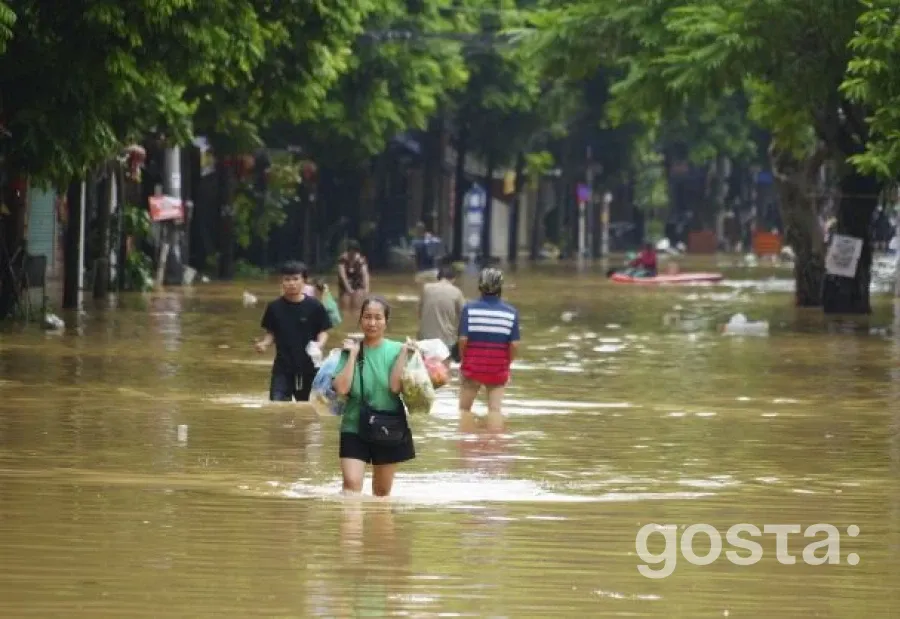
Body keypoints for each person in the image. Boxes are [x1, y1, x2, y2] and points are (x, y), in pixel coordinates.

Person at [332, 296, 416, 497]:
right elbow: (341, 389)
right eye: (367, 317)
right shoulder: (350, 350)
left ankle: (380, 528)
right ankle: (351, 529)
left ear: (386, 321)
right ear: (360, 320)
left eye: (378, 318)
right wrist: (352, 355)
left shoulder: (398, 349)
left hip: (388, 426)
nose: (372, 323)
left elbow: (395, 388)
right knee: (351, 486)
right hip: (354, 425)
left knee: (381, 493)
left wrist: (405, 353)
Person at [255, 261, 332, 401]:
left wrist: (319, 345)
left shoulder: (315, 306)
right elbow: (271, 332)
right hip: (282, 368)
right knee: (277, 406)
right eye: (287, 279)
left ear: (304, 281)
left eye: (296, 279)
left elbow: (323, 331)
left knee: (306, 409)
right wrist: (264, 344)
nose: (291, 283)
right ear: (282, 282)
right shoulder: (274, 307)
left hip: (308, 368)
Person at [457, 268, 520, 433]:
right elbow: (514, 345)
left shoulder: (469, 309)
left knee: (464, 410)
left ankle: (465, 444)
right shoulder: (511, 313)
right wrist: (507, 362)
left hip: (473, 367)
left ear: (480, 286)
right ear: (500, 287)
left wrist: (465, 360)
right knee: (494, 410)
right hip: (497, 368)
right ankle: (494, 445)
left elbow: (463, 339)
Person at [417, 265, 466, 364]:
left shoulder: (426, 288)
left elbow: (419, 312)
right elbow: (464, 317)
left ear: (438, 277)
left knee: (425, 372)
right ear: (453, 279)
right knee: (442, 374)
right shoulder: (456, 292)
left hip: (424, 338)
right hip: (446, 340)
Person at [337, 239, 369, 311]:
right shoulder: (342, 259)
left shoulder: (361, 260)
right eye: (351, 251)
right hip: (345, 285)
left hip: (357, 283)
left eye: (354, 251)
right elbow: (343, 276)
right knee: (345, 305)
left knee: (357, 305)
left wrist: (366, 290)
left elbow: (365, 275)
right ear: (348, 251)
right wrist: (349, 289)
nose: (352, 253)